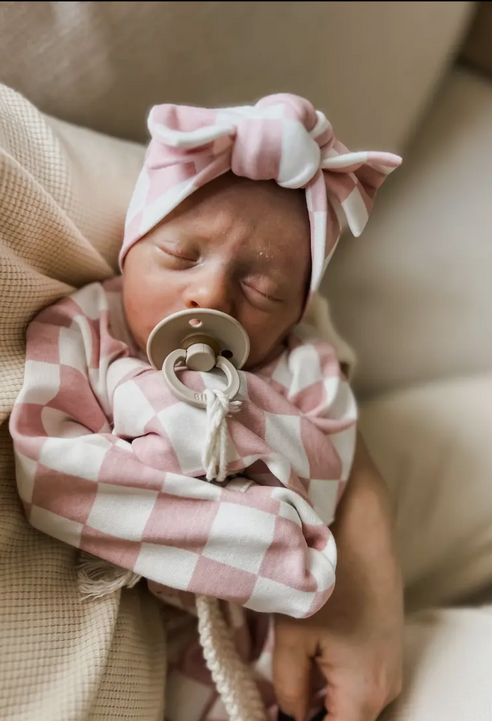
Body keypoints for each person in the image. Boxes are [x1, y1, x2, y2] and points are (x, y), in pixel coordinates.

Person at [10, 94, 403, 721]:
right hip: (177, 607)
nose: (210, 292)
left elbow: (328, 473)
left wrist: (235, 408)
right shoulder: (82, 327)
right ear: (130, 247)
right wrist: (267, 540)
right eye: (180, 256)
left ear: (296, 317)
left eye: (262, 287)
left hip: (266, 640)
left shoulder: (303, 366)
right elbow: (52, 472)